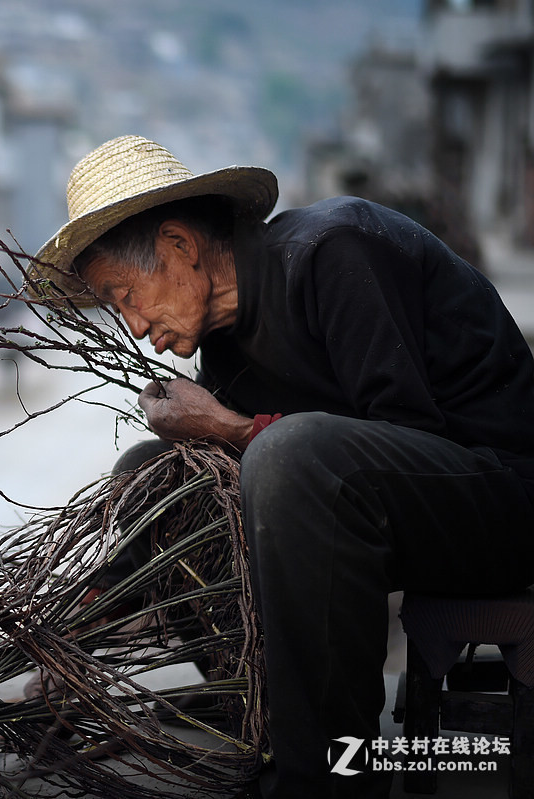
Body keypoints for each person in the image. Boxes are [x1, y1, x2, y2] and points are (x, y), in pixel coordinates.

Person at [32, 135, 534, 798]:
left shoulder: (336, 250)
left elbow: (401, 442)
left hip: (497, 497)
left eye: (126, 294)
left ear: (179, 246)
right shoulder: (228, 350)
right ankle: (263, 714)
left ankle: (325, 782)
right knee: (157, 471)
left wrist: (230, 428)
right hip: (382, 512)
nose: (132, 324)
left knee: (287, 454)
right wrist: (75, 636)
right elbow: (249, 478)